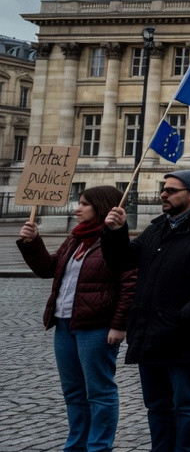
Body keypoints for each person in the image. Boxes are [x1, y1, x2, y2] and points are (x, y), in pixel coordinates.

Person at [101, 169, 190, 452]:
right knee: (157, 405)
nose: (163, 193)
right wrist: (115, 232)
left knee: (186, 405)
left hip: (182, 334)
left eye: (171, 190)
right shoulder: (158, 226)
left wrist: (185, 315)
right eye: (164, 189)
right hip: (150, 330)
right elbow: (122, 260)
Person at [17, 185, 136, 452]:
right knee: (73, 393)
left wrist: (119, 325)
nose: (76, 208)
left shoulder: (116, 242)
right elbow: (49, 268)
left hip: (96, 326)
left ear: (101, 207)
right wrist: (32, 242)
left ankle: (98, 447)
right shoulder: (75, 238)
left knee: (99, 392)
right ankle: (76, 445)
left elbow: (130, 285)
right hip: (64, 323)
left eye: (83, 204)